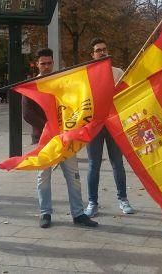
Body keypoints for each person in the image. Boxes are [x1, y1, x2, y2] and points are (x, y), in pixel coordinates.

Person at [23, 48, 99, 229]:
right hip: (44, 139)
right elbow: (27, 113)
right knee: (44, 177)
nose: (47, 66)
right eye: (43, 63)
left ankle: (78, 213)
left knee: (73, 176)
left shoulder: (62, 82)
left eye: (49, 63)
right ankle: (45, 213)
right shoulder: (32, 85)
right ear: (37, 65)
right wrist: (50, 129)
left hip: (65, 138)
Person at [84, 38, 135, 217]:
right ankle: (92, 202)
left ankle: (123, 199)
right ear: (93, 54)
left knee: (117, 163)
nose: (102, 52)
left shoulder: (118, 72)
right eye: (98, 50)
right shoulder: (86, 74)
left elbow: (126, 96)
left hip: (114, 125)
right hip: (95, 126)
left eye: (105, 49)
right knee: (93, 165)